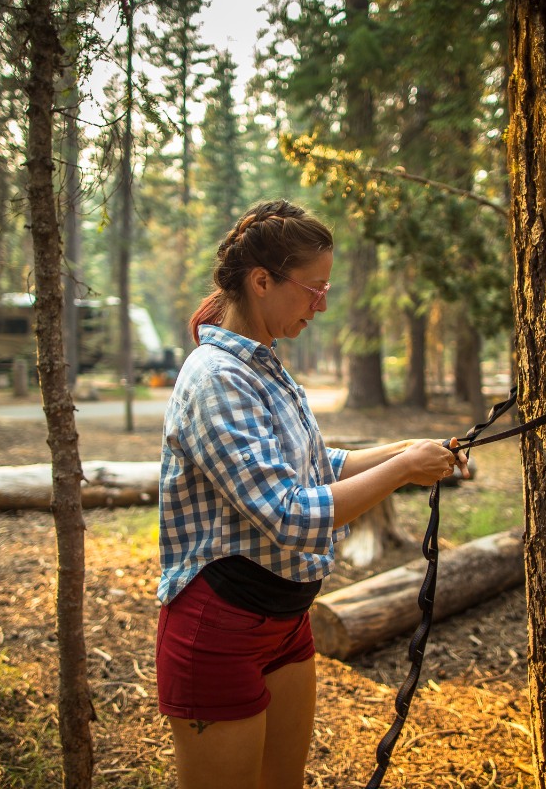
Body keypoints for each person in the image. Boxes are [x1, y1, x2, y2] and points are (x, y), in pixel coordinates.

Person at [156, 199, 468, 789]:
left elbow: (314, 465)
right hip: (217, 631)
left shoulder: (264, 365)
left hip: (285, 620)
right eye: (313, 289)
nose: (321, 306)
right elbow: (291, 514)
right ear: (261, 281)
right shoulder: (216, 379)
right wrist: (403, 468)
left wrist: (409, 448)